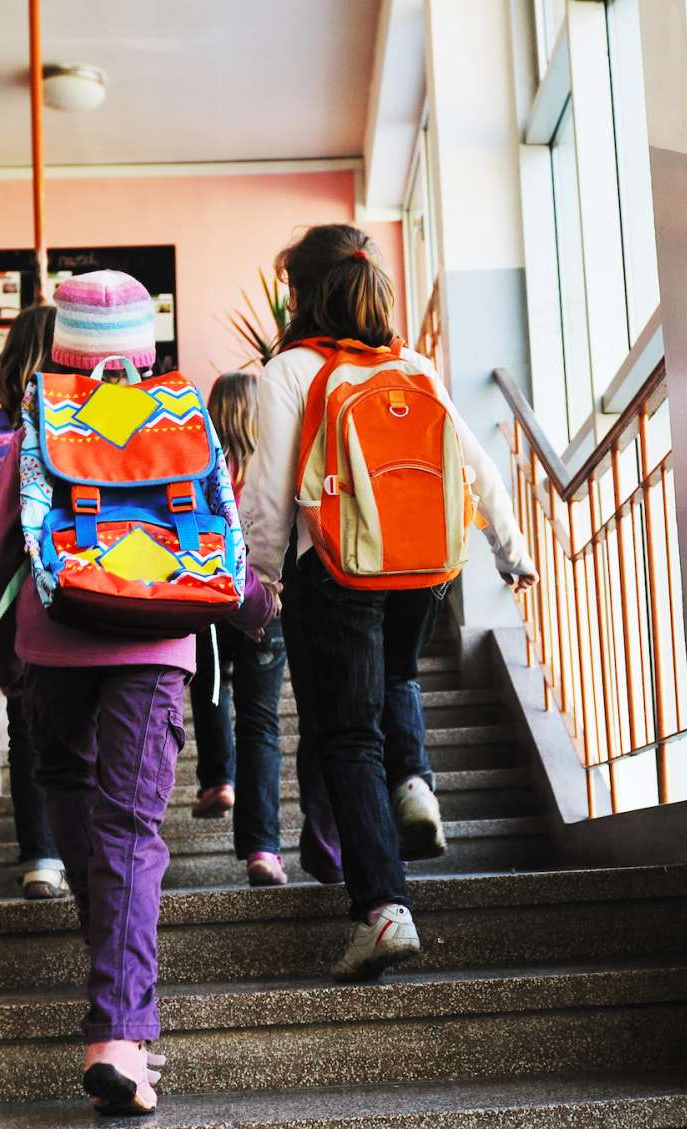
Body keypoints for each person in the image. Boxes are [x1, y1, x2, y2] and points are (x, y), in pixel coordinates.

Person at [0, 270, 278, 1115]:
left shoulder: (34, 423)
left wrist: (2, 651)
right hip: (156, 638)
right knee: (135, 829)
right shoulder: (182, 419)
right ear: (144, 349)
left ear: (63, 344)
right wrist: (251, 604)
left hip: (54, 636)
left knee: (69, 786)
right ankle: (119, 1032)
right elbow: (220, 528)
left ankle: (114, 988)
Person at [240, 225, 535, 982]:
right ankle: (416, 786)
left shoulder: (291, 373)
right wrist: (511, 551)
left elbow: (269, 500)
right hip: (424, 572)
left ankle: (383, 912)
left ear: (302, 295)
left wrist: (260, 585)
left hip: (336, 573)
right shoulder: (413, 365)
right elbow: (475, 468)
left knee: (346, 739)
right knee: (397, 680)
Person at [0, 305, 68, 901]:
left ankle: (40, 858)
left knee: (26, 726)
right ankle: (92, 849)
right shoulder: (83, 419)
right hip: (77, 587)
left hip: (12, 594)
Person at [187, 372, 290, 887]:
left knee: (209, 688)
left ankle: (217, 779)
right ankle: (262, 849)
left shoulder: (201, 469)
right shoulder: (272, 469)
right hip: (264, 605)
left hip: (210, 603)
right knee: (260, 721)